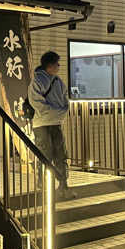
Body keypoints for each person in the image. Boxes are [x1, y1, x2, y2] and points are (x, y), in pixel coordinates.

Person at [29, 51, 75, 199]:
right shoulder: (37, 81)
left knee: (57, 155)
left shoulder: (58, 81)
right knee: (48, 155)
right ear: (49, 65)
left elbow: (64, 104)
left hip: (49, 123)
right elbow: (37, 104)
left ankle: (62, 186)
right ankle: (46, 187)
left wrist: (53, 113)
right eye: (56, 63)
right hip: (44, 124)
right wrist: (58, 112)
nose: (58, 66)